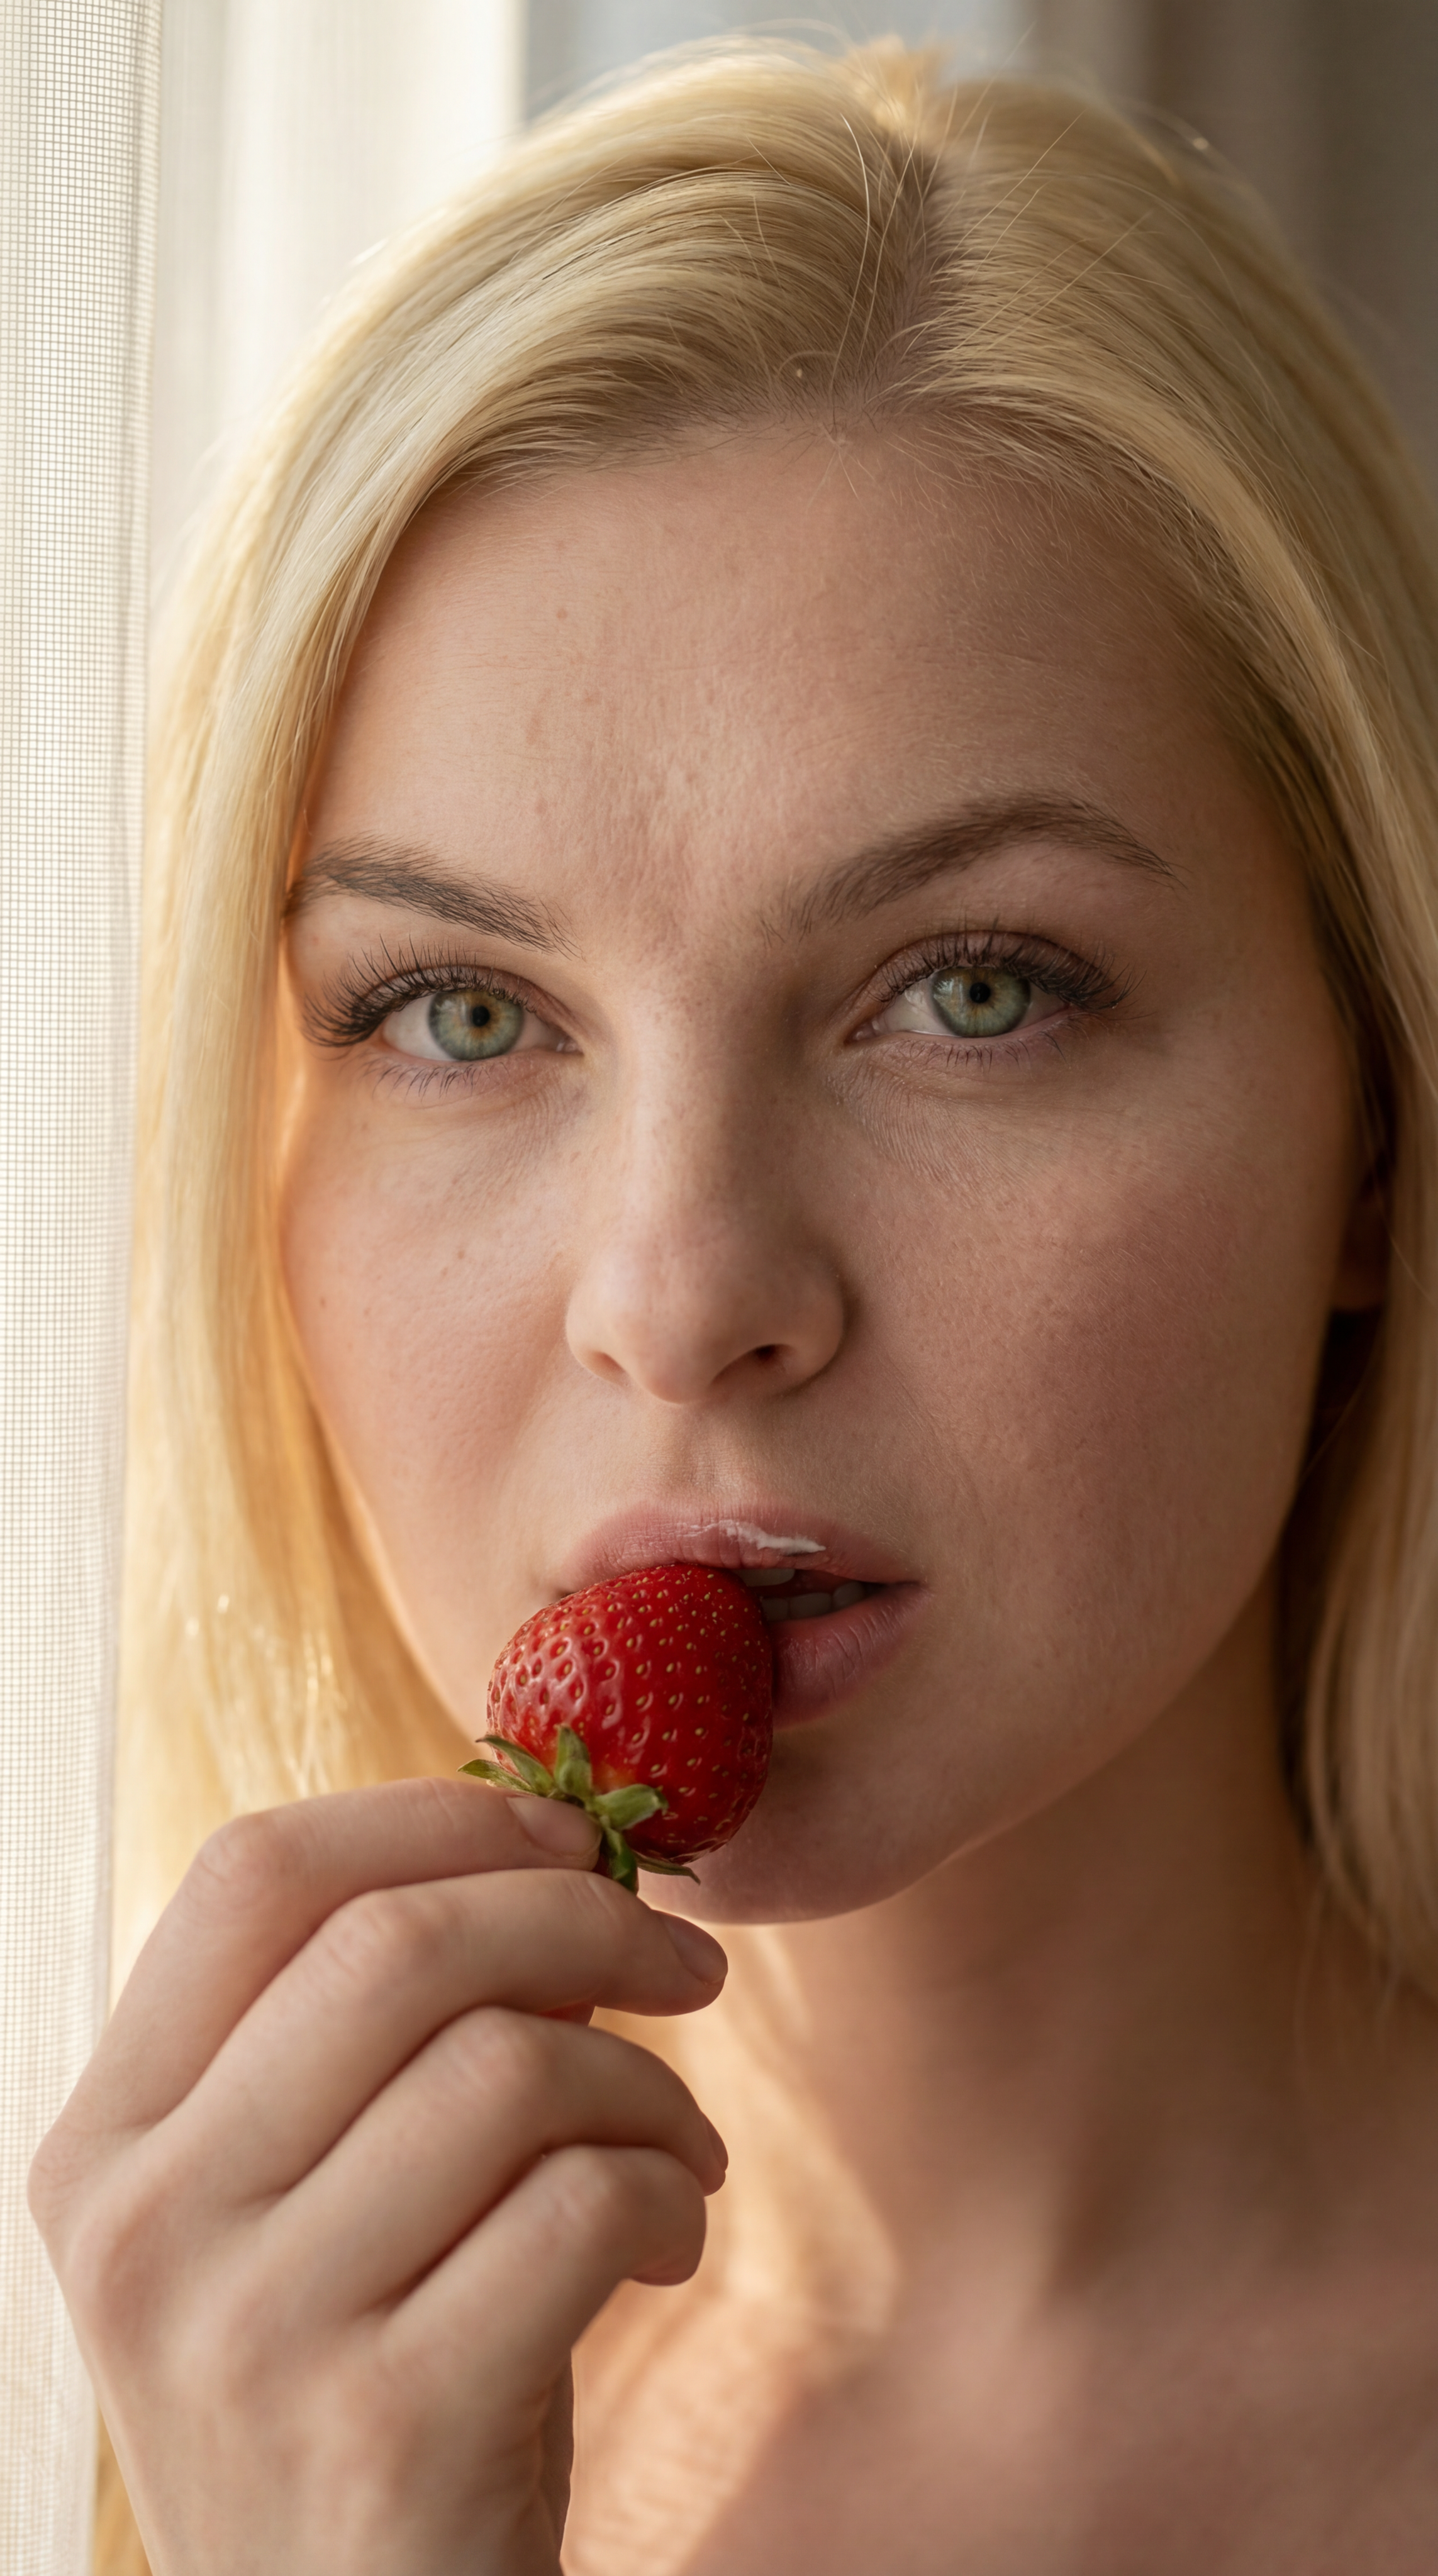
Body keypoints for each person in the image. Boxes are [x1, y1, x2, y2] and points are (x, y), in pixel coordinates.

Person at [30, 39, 1438, 2572]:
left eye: (976, 987)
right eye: (460, 1012)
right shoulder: (213, 2396)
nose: (683, 1294)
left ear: (1376, 1122)